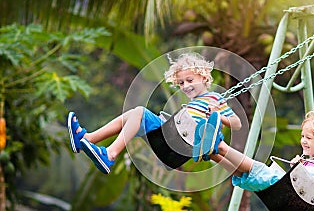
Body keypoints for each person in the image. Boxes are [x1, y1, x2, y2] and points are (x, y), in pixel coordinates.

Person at [67, 52, 242, 174]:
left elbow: (236, 124)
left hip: (178, 147)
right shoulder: (193, 104)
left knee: (140, 113)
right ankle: (87, 139)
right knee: (133, 114)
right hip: (172, 140)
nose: (185, 86)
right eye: (181, 83)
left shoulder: (215, 98)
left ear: (204, 78)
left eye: (189, 80)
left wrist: (218, 116)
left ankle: (110, 154)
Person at [208, 108, 314, 196]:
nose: (303, 141)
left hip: (300, 199)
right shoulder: (310, 162)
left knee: (260, 169)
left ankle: (221, 146)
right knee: (245, 173)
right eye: (302, 136)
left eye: (309, 138)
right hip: (291, 193)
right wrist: (297, 168)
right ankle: (212, 154)